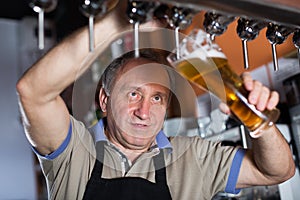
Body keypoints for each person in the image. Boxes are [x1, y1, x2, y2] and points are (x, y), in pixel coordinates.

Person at [16, 2, 295, 200]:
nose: (144, 112)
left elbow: (278, 172)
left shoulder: (195, 158)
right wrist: (120, 22)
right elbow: (32, 92)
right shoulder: (74, 152)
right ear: (104, 99)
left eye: (158, 97)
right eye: (133, 93)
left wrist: (258, 122)